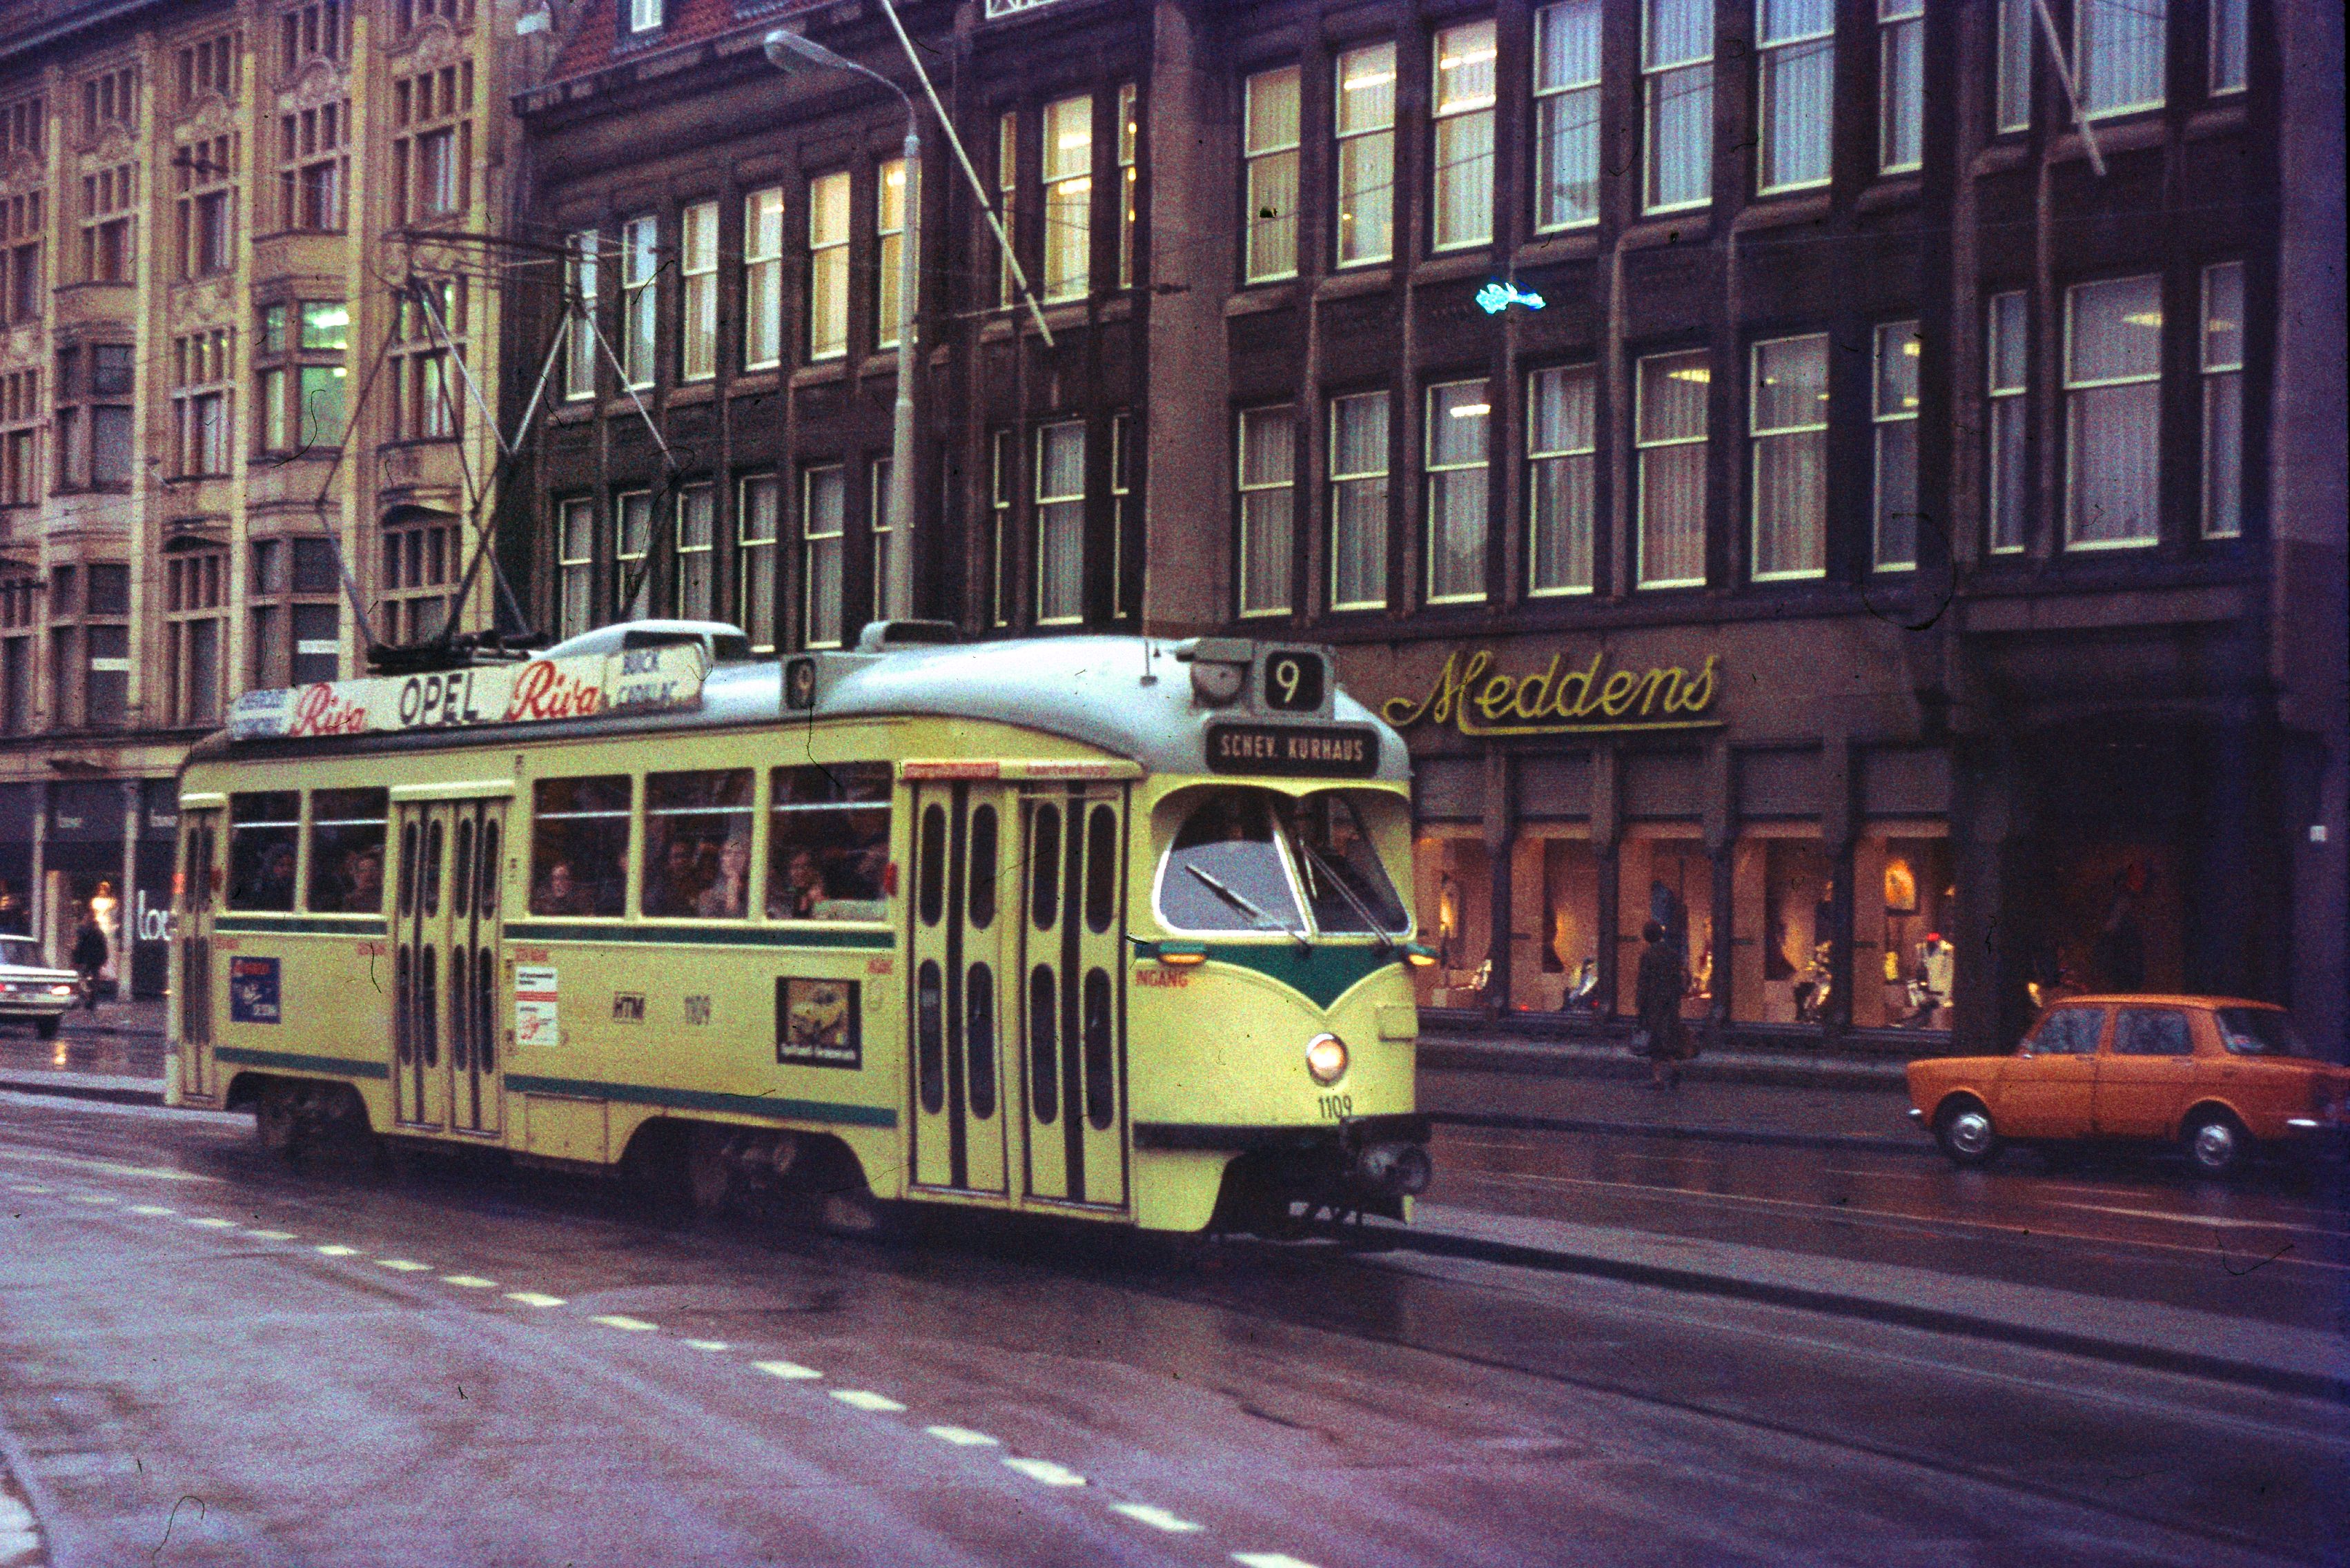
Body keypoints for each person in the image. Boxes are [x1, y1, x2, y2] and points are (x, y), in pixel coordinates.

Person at [1634, 919, 1690, 1092]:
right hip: (1670, 1004)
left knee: (1656, 1040)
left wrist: (1640, 1004)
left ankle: (1660, 1077)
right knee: (1664, 1039)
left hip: (1654, 1004)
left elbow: (1644, 982)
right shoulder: (1671, 953)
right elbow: (1680, 977)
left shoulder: (1648, 955)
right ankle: (1670, 1071)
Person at [695, 836, 751, 919]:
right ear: (722, 859)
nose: (733, 858)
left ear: (747, 859)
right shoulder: (708, 896)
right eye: (728, 853)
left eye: (739, 853)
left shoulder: (759, 892)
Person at [769, 845, 825, 920]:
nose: (801, 872)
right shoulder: (782, 897)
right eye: (796, 867)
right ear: (789, 870)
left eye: (806, 866)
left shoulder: (822, 895)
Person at [71, 912, 110, 1013]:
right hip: (95, 960)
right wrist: (104, 959)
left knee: (79, 978)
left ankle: (84, 998)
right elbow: (103, 947)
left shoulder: (83, 931)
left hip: (86, 960)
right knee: (94, 981)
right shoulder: (99, 932)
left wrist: (76, 957)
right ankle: (92, 1001)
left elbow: (80, 945)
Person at [533, 860, 598, 917]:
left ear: (572, 881)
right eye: (555, 878)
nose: (559, 883)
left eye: (564, 878)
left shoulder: (582, 900)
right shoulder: (543, 901)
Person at [341, 848, 384, 912]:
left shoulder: (388, 897)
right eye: (363, 871)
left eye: (372, 870)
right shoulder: (351, 900)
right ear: (357, 875)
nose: (368, 875)